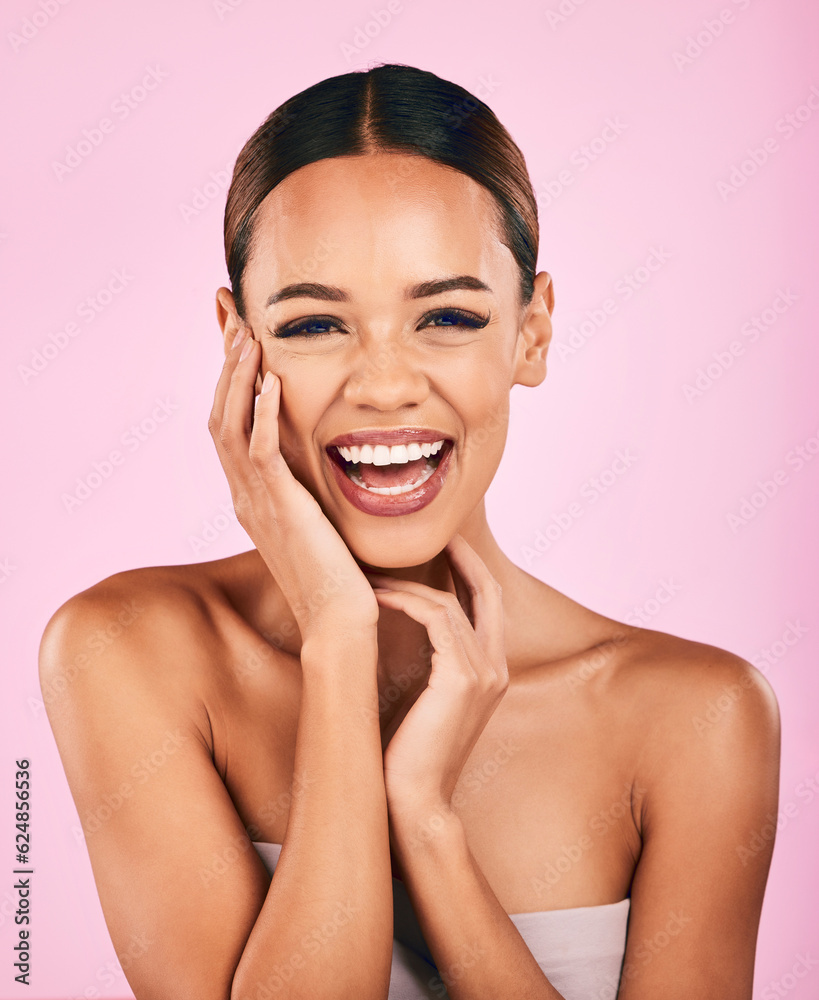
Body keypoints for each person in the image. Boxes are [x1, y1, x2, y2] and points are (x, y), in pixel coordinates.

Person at [39, 63, 781, 1000]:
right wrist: (337, 643)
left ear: (532, 332)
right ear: (235, 340)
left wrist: (426, 826)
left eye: (447, 316)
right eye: (314, 325)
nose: (383, 385)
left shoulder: (699, 716)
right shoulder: (126, 647)